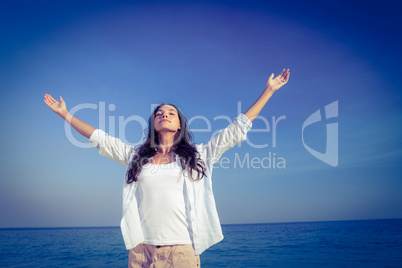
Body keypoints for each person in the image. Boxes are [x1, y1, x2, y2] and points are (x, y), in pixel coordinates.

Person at [44, 69, 290, 267]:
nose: (164, 114)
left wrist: (268, 91)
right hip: (141, 252)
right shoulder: (135, 157)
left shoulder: (200, 155)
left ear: (180, 124)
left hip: (182, 252)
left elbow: (237, 129)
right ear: (153, 123)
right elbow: (100, 137)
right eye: (159, 113)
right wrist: (65, 114)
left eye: (171, 112)